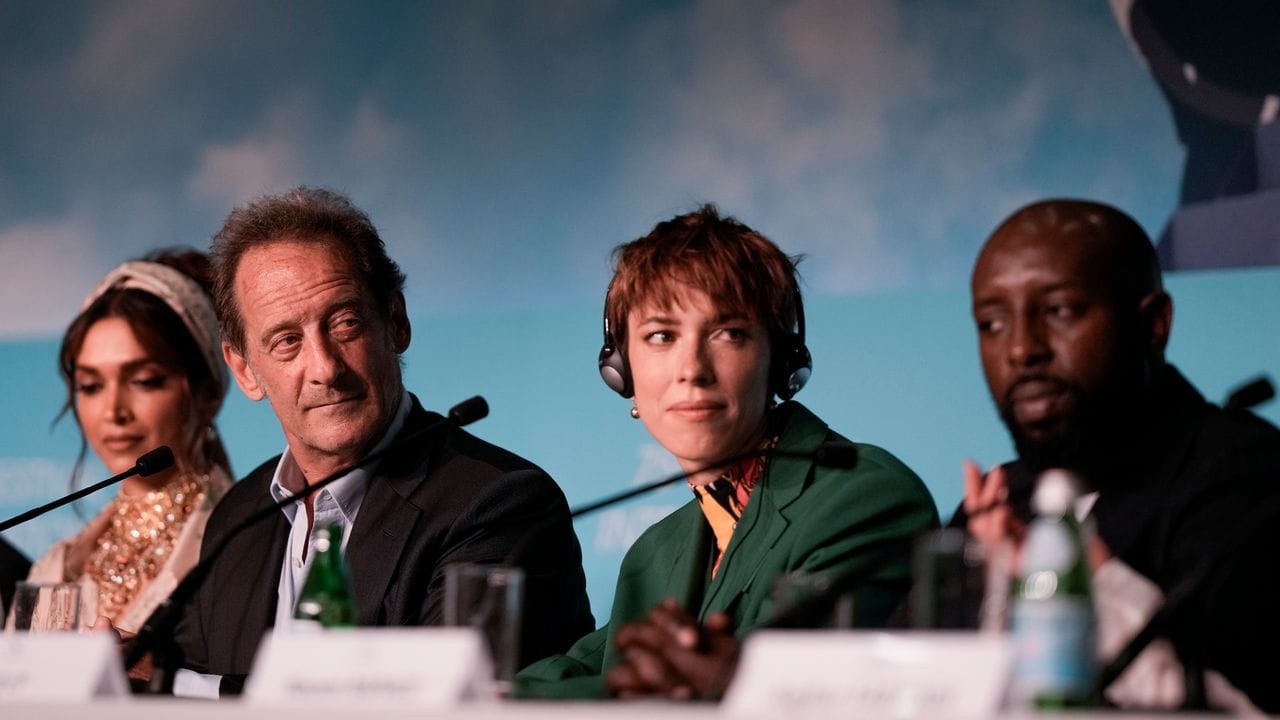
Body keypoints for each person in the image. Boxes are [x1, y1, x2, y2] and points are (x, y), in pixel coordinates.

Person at [172, 187, 593, 697]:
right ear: (244, 369)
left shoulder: (499, 503)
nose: (324, 368)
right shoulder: (239, 517)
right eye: (287, 341)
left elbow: (441, 707)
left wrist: (200, 689)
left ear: (396, 322)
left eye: (345, 323)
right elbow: (176, 683)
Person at [515, 204, 938, 699]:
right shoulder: (656, 554)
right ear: (621, 370)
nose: (691, 368)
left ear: (780, 362)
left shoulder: (866, 498)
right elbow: (570, 675)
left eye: (729, 333)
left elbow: (790, 696)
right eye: (661, 336)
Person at [955, 199, 1280, 711]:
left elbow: (1238, 697)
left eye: (1059, 311)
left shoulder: (1244, 481)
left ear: (1153, 324)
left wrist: (1098, 581)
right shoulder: (1000, 500)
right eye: (992, 323)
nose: (1021, 349)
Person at [24, 250, 232, 632]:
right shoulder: (56, 567)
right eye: (90, 386)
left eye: (145, 380)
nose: (113, 411)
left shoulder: (247, 546)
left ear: (209, 394)